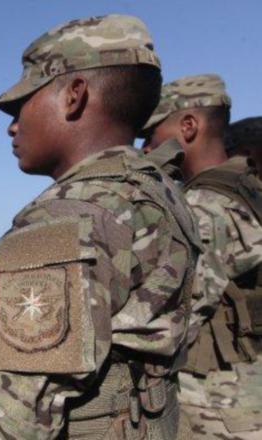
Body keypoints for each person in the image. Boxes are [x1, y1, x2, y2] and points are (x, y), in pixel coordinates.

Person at [0, 14, 201, 439]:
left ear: (74, 95)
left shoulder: (68, 218)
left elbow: (9, 421)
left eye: (21, 104)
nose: (11, 125)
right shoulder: (157, 192)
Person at [142, 75, 262, 438]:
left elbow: (170, 322)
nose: (146, 148)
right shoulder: (246, 187)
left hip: (215, 408)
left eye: (149, 135)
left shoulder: (202, 208)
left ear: (188, 126)